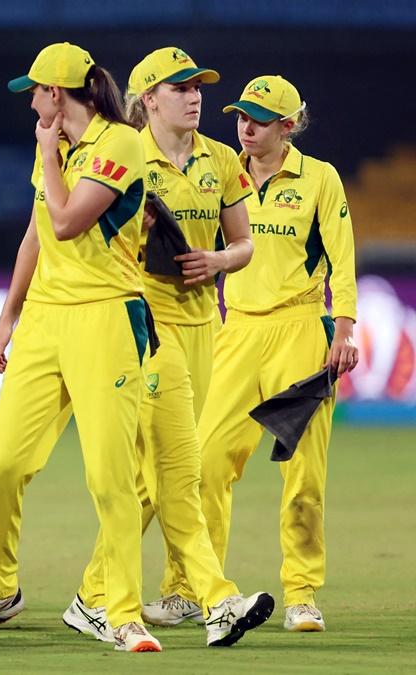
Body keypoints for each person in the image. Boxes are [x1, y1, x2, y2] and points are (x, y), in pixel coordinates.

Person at [0, 43, 160, 652]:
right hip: (44, 322)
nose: (30, 104)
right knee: (2, 463)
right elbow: (37, 236)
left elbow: (67, 221)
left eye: (34, 93)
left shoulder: (120, 143)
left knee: (110, 476)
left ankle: (121, 612)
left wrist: (46, 154)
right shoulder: (57, 149)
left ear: (56, 94)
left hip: (105, 318)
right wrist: (8, 317)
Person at [63, 47, 273, 648]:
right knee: (176, 470)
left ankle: (92, 596)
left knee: (153, 477)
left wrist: (219, 261)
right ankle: (215, 598)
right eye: (180, 87)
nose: (195, 95)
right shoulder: (126, 154)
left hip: (205, 325)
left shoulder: (222, 159)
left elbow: (244, 244)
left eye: (197, 86)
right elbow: (88, 239)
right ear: (149, 99)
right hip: (149, 326)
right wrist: (136, 231)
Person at [167, 75, 357, 633]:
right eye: (241, 117)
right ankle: (193, 591)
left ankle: (301, 594)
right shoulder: (222, 172)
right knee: (205, 465)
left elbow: (342, 259)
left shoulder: (320, 178)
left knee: (303, 476)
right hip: (234, 331)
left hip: (300, 332)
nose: (246, 128)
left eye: (259, 120)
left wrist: (344, 330)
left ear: (288, 126)